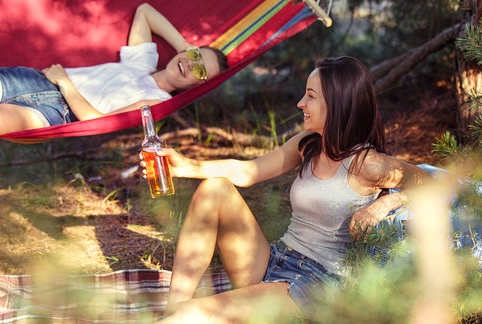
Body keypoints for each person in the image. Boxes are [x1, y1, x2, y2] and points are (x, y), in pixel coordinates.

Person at [140, 56, 431, 323]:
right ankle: (172, 310)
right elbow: (247, 171)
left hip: (317, 285)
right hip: (276, 261)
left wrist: (381, 205)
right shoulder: (308, 145)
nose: (300, 103)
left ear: (338, 104)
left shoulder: (368, 164)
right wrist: (186, 165)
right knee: (214, 189)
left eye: (311, 96)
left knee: (198, 314)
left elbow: (433, 184)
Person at [0, 3, 228, 231]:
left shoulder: (156, 101)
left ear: (197, 86)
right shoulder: (141, 62)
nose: (191, 65)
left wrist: (65, 83)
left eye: (200, 71)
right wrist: (185, 44)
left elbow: (98, 118)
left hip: (54, 109)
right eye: (194, 56)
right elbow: (145, 11)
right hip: (32, 79)